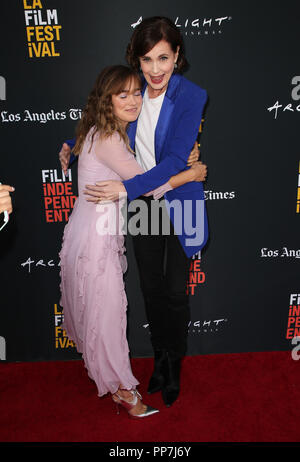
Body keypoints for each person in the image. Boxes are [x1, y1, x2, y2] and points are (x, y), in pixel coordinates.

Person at [59, 16, 208, 407]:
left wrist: (131, 184)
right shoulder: (133, 89)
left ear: (177, 56)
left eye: (163, 58)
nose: (155, 70)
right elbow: (105, 118)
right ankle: (158, 359)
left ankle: (173, 365)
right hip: (143, 203)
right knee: (151, 290)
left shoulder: (192, 96)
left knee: (176, 291)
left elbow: (176, 158)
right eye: (147, 60)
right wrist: (71, 144)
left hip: (177, 200)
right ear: (137, 61)